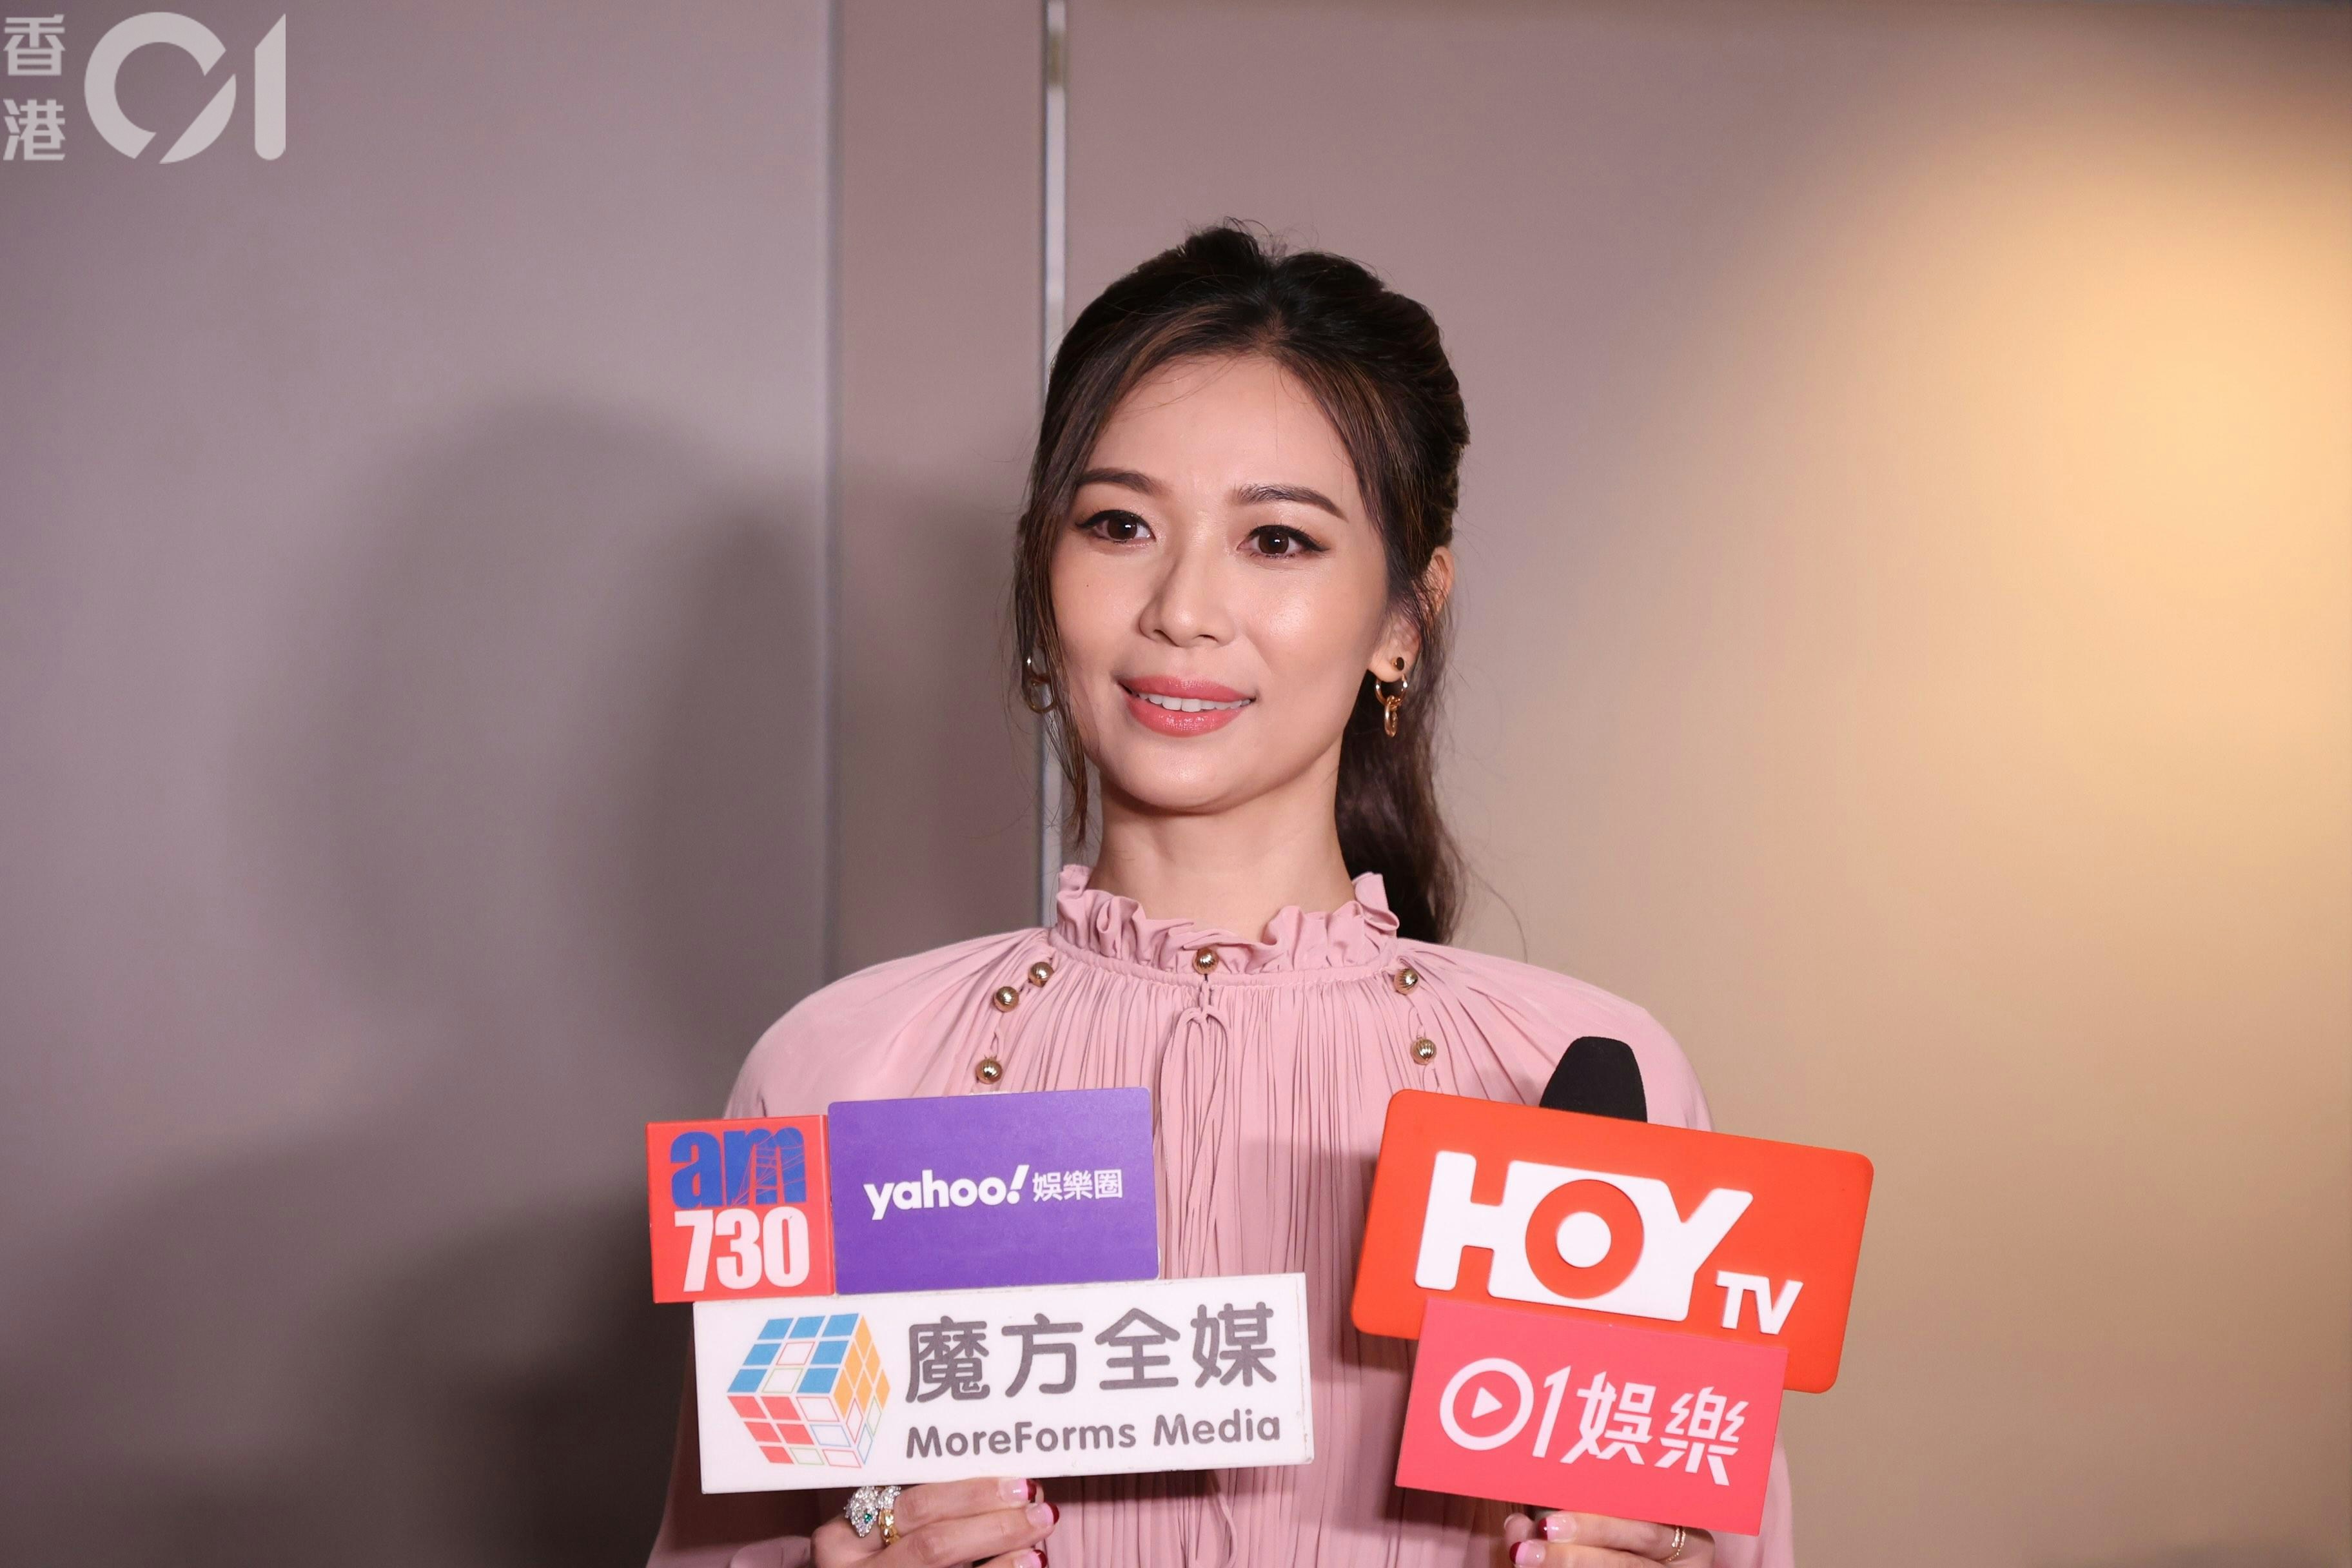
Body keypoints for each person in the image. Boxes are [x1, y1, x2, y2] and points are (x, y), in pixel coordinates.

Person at [647, 222, 1794, 1568]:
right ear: (1042, 575)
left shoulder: (1594, 1084)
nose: (1184, 607)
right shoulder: (836, 1074)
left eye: (1278, 539)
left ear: (1404, 619)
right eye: (1119, 524)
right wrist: (857, 1549)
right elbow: (741, 1533)